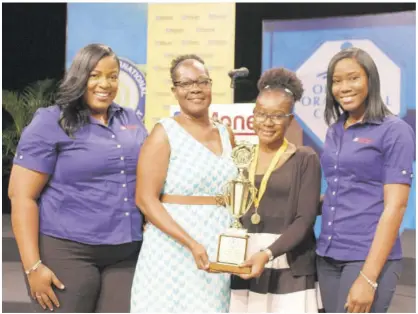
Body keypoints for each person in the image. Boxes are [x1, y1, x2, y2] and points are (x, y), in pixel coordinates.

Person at [8, 43, 148, 313]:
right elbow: (22, 196)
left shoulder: (130, 119)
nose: (104, 84)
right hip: (67, 252)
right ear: (78, 77)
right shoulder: (50, 122)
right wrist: (32, 267)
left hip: (126, 253)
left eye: (113, 76)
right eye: (94, 75)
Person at [130, 54, 237, 312]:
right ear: (174, 91)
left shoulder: (226, 133)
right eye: (186, 83)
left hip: (215, 248)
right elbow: (145, 199)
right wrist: (190, 243)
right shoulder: (164, 133)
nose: (196, 89)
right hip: (172, 248)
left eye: (202, 81)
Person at [317, 47, 415, 313]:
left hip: (366, 257)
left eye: (353, 78)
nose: (343, 87)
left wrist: (368, 277)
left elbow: (395, 207)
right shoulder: (336, 130)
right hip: (327, 254)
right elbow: (343, 188)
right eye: (336, 81)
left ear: (370, 80)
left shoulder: (395, 131)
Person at [230, 67, 323, 312]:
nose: (267, 122)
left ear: (290, 119)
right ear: (252, 115)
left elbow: (305, 220)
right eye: (261, 114)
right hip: (245, 261)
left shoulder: (305, 158)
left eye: (277, 116)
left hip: (287, 262)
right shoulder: (241, 155)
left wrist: (268, 253)